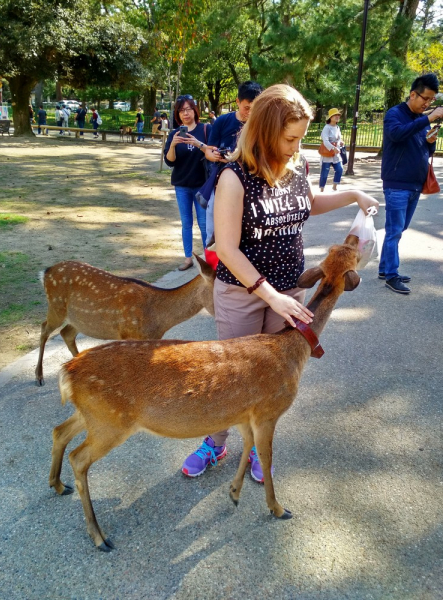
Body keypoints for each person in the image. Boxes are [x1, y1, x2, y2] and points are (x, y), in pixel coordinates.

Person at [181, 84, 379, 480]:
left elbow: (308, 205)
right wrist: (270, 297)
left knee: (271, 379)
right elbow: (229, 249)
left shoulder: (294, 168)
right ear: (267, 130)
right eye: (290, 138)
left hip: (290, 290)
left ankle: (255, 446)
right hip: (245, 293)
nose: (296, 146)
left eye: (301, 138)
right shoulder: (233, 178)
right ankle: (215, 444)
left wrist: (354, 194)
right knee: (231, 377)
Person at [379, 73, 443, 294]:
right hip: (397, 183)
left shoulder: (420, 120)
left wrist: (430, 142)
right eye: (425, 98)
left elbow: (423, 150)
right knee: (395, 230)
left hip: (415, 184)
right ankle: (391, 276)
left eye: (431, 100)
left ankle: (385, 268)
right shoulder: (395, 114)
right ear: (413, 94)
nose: (427, 104)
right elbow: (396, 135)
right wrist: (428, 118)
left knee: (399, 228)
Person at [203, 81, 263, 246]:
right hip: (222, 184)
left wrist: (237, 157)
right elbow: (209, 151)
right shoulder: (222, 121)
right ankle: (213, 266)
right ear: (237, 101)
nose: (250, 113)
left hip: (252, 187)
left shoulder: (261, 125)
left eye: (255, 108)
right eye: (246, 108)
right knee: (213, 232)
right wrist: (215, 155)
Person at [164, 95, 212, 270]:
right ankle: (188, 258)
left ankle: (209, 258)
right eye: (181, 110)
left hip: (201, 185)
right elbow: (170, 162)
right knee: (186, 223)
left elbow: (213, 152)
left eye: (188, 109)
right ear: (178, 113)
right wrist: (173, 145)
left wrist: (198, 143)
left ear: (195, 110)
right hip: (182, 185)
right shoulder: (174, 134)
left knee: (204, 223)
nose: (185, 113)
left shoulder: (205, 129)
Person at [319, 108, 344, 192]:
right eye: (335, 115)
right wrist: (333, 148)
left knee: (340, 169)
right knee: (324, 174)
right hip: (328, 153)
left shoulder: (337, 127)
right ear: (330, 117)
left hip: (336, 153)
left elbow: (339, 138)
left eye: (338, 115)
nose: (337, 117)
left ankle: (334, 186)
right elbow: (325, 141)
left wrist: (340, 142)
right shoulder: (327, 128)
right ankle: (322, 189)